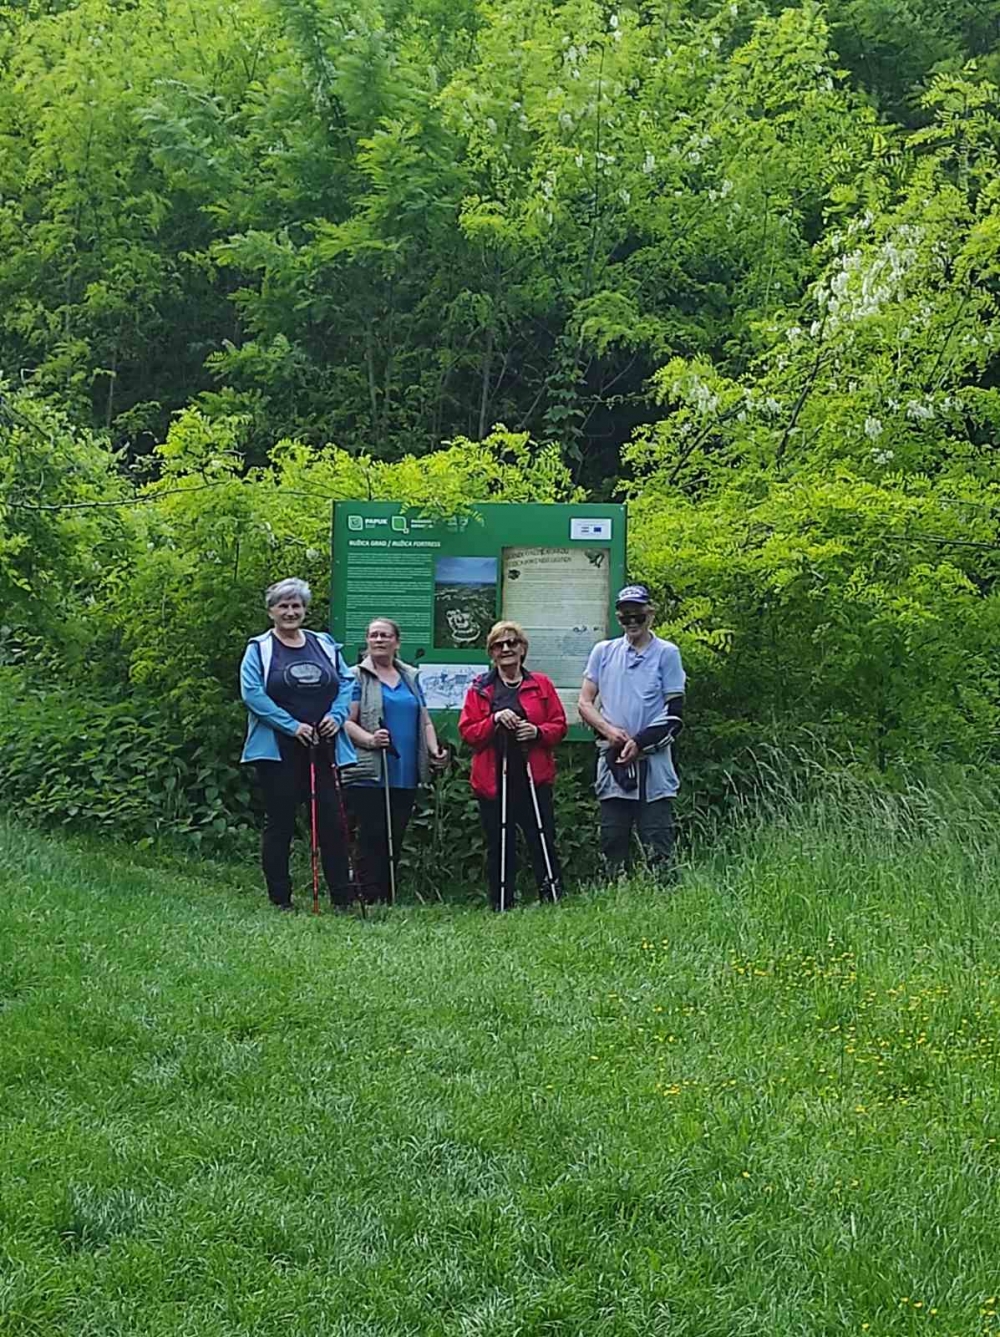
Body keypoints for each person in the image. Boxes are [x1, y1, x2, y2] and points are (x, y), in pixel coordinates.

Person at [239, 578, 356, 911]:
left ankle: (342, 898)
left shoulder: (323, 644)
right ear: (271, 610)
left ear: (305, 609)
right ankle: (281, 899)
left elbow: (346, 682)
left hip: (323, 745)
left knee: (332, 821)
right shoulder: (258, 649)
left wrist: (336, 715)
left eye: (296, 606)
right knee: (281, 823)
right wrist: (291, 726)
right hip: (278, 750)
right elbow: (252, 695)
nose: (290, 612)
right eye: (283, 606)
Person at [578, 583, 686, 878]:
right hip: (614, 761)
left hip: (653, 762)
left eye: (638, 614)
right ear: (618, 617)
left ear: (650, 613)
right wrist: (610, 732)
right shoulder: (603, 651)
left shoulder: (667, 653)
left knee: (658, 839)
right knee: (613, 838)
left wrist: (639, 743)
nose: (632, 621)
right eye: (626, 616)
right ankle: (616, 895)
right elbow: (585, 702)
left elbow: (675, 715)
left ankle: (664, 897)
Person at [459, 620, 567, 910]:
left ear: (523, 649)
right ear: (491, 653)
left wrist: (537, 731)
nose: (506, 649)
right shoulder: (480, 689)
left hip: (534, 776)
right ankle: (501, 902)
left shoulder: (540, 684)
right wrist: (494, 720)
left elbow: (559, 725)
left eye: (512, 643)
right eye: (498, 645)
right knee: (499, 843)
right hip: (494, 780)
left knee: (542, 837)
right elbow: (468, 732)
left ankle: (552, 896)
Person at [343, 617, 447, 903]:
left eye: (385, 635)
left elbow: (424, 721)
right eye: (373, 635)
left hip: (405, 771)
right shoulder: (355, 677)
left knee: (395, 833)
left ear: (396, 642)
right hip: (370, 770)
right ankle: (366, 895)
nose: (379, 640)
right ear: (367, 641)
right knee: (371, 835)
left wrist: (434, 750)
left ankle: (387, 895)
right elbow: (345, 721)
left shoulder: (410, 677)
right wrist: (369, 740)